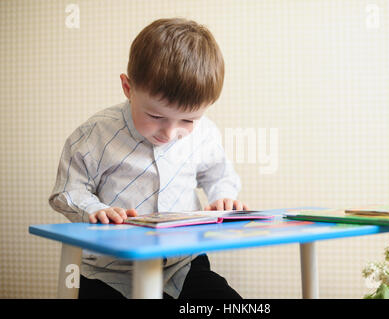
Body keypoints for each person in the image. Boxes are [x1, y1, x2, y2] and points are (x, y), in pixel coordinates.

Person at [49, 18, 247, 299]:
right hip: (110, 270)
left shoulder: (205, 133)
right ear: (128, 88)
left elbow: (218, 175)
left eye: (188, 120)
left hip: (183, 263)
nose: (170, 133)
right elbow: (66, 191)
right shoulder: (95, 135)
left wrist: (224, 196)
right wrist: (93, 208)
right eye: (155, 116)